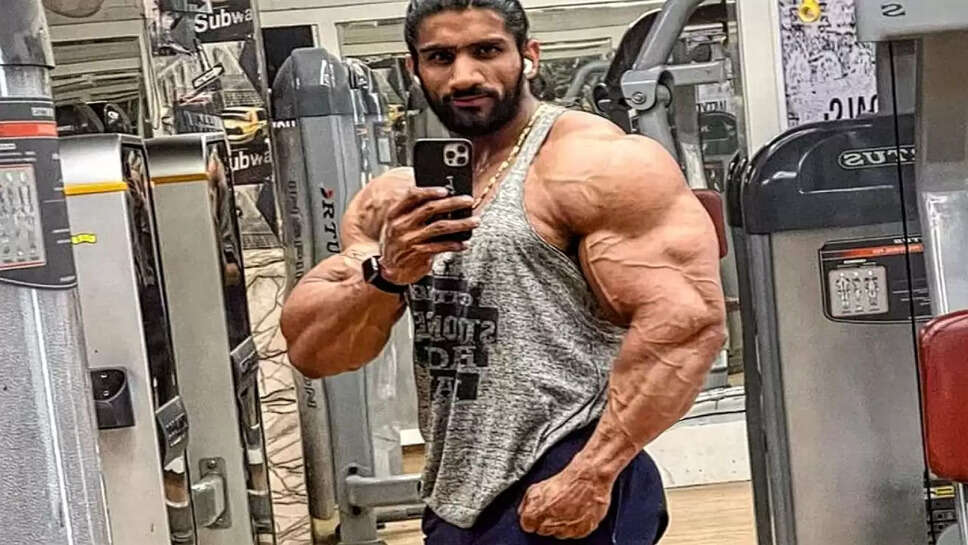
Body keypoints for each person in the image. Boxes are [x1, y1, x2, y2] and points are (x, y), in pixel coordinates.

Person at [281, 0, 726, 543]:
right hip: (454, 489)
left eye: (486, 50)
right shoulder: (397, 199)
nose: (465, 75)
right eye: (441, 57)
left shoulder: (598, 164)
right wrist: (387, 272)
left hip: (562, 467)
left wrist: (594, 472)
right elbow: (313, 351)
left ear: (528, 56)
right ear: (413, 69)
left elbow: (688, 325)